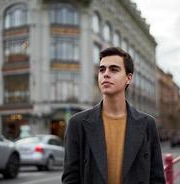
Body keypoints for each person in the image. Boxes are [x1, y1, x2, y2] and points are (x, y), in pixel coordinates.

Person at [61, 47, 165, 184]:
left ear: (128, 78)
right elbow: (70, 178)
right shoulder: (78, 123)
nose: (106, 74)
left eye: (114, 69)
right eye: (102, 69)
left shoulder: (147, 123)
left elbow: (156, 177)